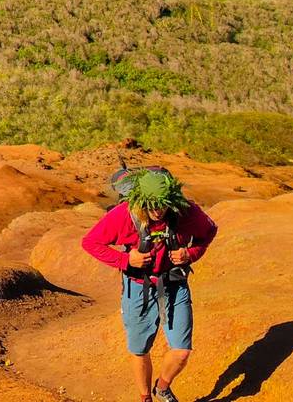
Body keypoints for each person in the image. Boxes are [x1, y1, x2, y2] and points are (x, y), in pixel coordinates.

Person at [80, 170, 218, 402]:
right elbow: (90, 242)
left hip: (174, 284)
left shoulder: (186, 212)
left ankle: (162, 388)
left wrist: (191, 253)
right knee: (139, 349)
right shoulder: (123, 215)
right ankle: (145, 397)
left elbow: (209, 231)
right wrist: (125, 260)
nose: (156, 210)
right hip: (138, 286)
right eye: (150, 205)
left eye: (162, 205)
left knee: (182, 351)